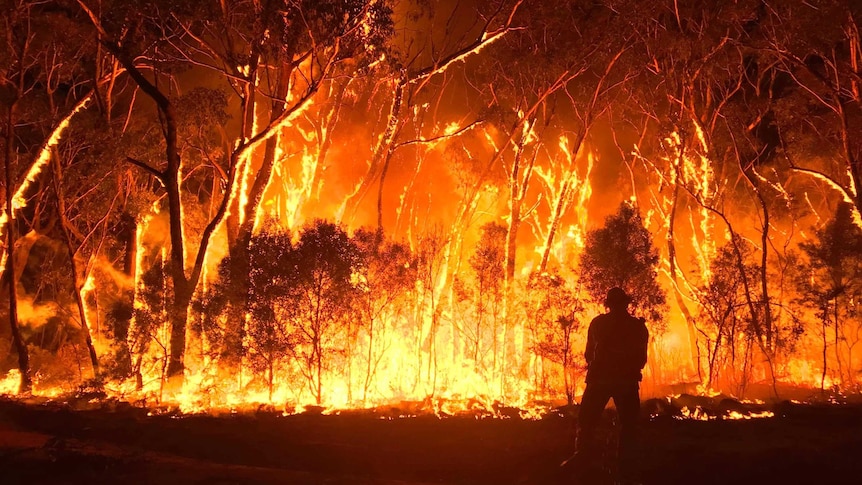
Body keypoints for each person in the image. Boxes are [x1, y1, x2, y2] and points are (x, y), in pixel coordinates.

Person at [567, 287, 649, 483]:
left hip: (599, 381)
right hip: (626, 382)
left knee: (587, 422)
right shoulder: (638, 327)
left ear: (608, 304)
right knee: (628, 425)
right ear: (626, 304)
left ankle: (583, 457)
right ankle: (626, 464)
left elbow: (589, 354)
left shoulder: (598, 323)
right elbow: (641, 358)